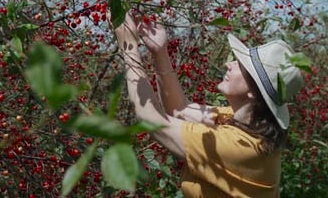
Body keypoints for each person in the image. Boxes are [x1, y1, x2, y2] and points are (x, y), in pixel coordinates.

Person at [112, 11, 304, 198]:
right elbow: (180, 109)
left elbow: (152, 121)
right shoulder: (243, 121)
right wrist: (160, 52)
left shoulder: (240, 147)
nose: (230, 64)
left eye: (241, 66)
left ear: (253, 93)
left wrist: (129, 47)